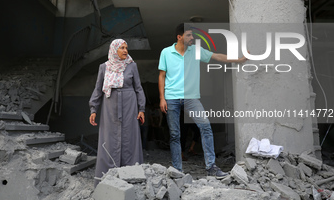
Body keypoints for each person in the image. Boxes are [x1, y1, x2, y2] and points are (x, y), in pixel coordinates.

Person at [158, 23, 247, 178]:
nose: (192, 38)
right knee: (175, 134)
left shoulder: (196, 51)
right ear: (179, 37)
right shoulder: (166, 52)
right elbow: (162, 76)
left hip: (191, 98)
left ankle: (211, 167)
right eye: (189, 35)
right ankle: (178, 170)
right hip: (171, 98)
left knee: (205, 126)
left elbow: (216, 56)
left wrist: (238, 59)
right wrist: (162, 98)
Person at [89, 39, 146, 187]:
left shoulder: (132, 66)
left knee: (130, 139)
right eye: (122, 48)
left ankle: (132, 180)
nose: (125, 50)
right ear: (114, 50)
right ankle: (106, 181)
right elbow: (98, 89)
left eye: (126, 48)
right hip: (110, 108)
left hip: (129, 106)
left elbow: (138, 88)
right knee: (109, 140)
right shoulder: (104, 67)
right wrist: (93, 109)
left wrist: (141, 109)